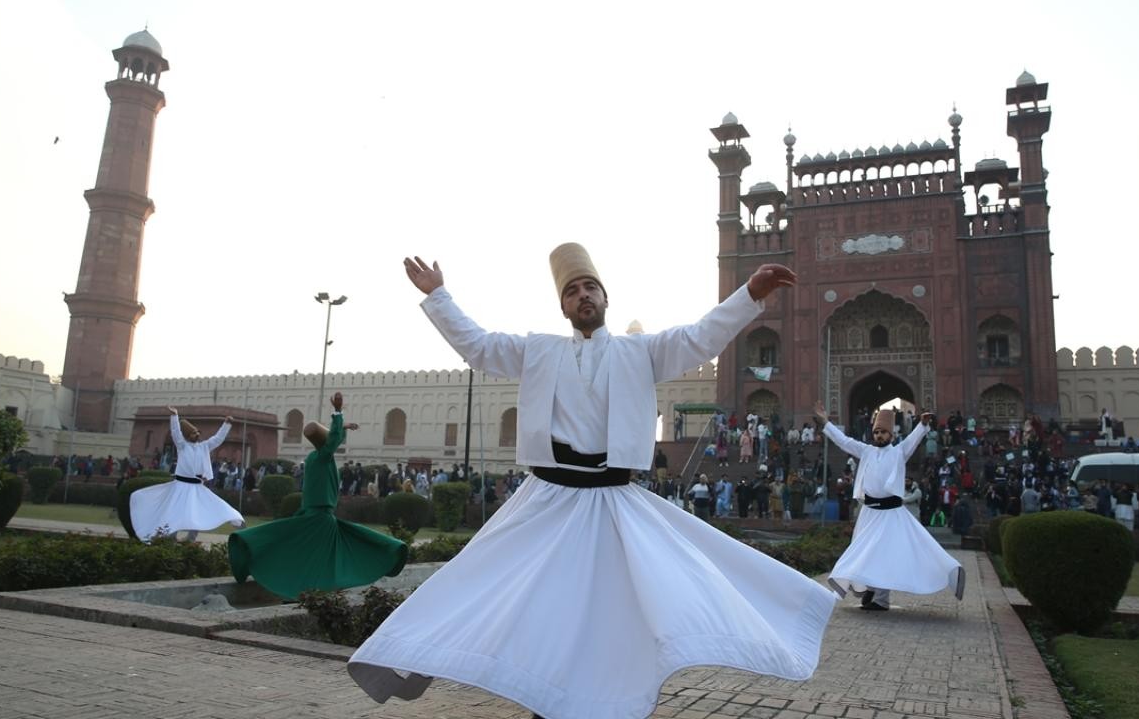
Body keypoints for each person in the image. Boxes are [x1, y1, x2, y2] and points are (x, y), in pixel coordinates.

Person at [348, 247, 835, 719]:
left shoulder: (642, 352)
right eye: (572, 291)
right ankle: (543, 698)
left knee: (611, 610)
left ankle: (599, 701)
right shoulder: (538, 351)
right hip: (546, 503)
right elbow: (478, 345)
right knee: (504, 591)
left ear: (605, 298)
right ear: (562, 307)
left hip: (610, 502)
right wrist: (438, 296)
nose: (583, 295)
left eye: (590, 288)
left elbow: (700, 338)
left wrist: (748, 295)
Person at [228, 392, 408, 599]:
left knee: (307, 557)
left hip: (311, 515)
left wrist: (342, 426)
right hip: (321, 520)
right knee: (328, 559)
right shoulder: (323, 456)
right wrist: (338, 412)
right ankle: (314, 596)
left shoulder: (313, 457)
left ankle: (304, 593)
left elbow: (332, 439)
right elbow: (333, 441)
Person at [816, 401, 964, 611]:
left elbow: (913, 440)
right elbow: (844, 441)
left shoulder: (899, 452)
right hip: (868, 513)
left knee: (883, 554)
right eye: (876, 432)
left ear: (891, 435)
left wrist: (922, 425)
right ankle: (871, 588)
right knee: (864, 553)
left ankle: (881, 599)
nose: (879, 436)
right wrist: (826, 423)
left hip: (889, 513)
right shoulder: (866, 451)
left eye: (883, 432)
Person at [129, 408, 244, 542]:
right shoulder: (182, 446)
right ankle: (171, 536)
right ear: (188, 435)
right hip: (181, 486)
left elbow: (218, 439)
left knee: (197, 512)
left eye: (197, 432)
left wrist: (226, 424)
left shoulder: (204, 446)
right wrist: (174, 416)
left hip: (196, 486)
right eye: (193, 433)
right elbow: (175, 432)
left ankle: (191, 538)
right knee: (175, 511)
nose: (196, 434)